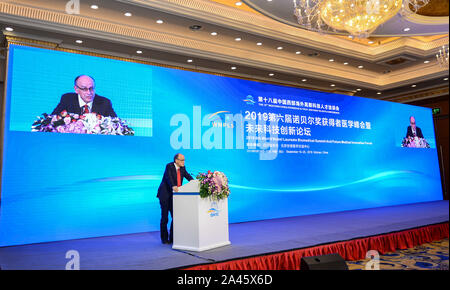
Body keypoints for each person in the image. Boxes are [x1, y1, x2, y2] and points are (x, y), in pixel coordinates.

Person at [157, 153, 193, 244]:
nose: (183, 162)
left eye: (184, 160)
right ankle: (164, 239)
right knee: (165, 217)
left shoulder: (182, 168)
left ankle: (173, 238)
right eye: (182, 160)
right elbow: (168, 177)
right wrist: (173, 185)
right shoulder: (169, 166)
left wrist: (194, 182)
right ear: (176, 160)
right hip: (165, 195)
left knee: (176, 217)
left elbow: (188, 176)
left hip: (175, 196)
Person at [51, 75, 117, 117]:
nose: (89, 93)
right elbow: (52, 119)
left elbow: (116, 123)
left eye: (91, 88)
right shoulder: (67, 99)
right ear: (76, 89)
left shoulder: (104, 103)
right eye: (84, 89)